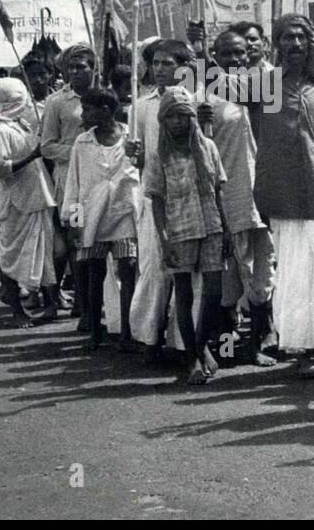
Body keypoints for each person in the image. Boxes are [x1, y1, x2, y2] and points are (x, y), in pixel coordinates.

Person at [254, 14, 314, 379]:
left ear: (311, 43)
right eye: (287, 38)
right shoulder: (267, 86)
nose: (294, 45)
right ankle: (302, 348)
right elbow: (211, 84)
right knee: (294, 273)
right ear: (276, 44)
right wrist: (198, 57)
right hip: (283, 192)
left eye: (301, 38)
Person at [146, 86, 230, 385]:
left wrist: (227, 227)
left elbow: (218, 189)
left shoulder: (207, 147)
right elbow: (156, 199)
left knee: (214, 292)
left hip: (211, 226)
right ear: (164, 121)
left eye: (184, 115)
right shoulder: (159, 156)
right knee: (183, 293)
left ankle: (201, 343)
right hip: (178, 230)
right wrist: (163, 238)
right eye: (172, 117)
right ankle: (193, 357)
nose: (179, 122)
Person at [207, 30, 278, 366]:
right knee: (225, 275)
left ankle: (261, 341)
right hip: (226, 192)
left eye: (241, 53)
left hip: (263, 190)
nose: (236, 60)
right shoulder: (206, 95)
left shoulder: (264, 88)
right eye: (227, 54)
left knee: (263, 268)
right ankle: (224, 347)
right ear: (215, 56)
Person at [129, 39, 196, 360]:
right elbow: (138, 159)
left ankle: (185, 343)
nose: (158, 69)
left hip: (190, 198)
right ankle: (148, 338)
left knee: (189, 273)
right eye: (155, 63)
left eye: (167, 63)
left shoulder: (196, 100)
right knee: (154, 268)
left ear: (182, 67)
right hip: (155, 196)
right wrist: (134, 155)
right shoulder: (141, 106)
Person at [63, 87, 140, 350]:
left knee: (127, 270)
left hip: (124, 213)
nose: (83, 114)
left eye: (87, 109)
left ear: (105, 110)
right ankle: (96, 332)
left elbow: (142, 171)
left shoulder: (131, 137)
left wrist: (136, 153)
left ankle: (128, 333)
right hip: (91, 215)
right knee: (94, 273)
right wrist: (73, 222)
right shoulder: (82, 142)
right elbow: (73, 183)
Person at [0, 77, 58, 324]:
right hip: (16, 202)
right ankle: (17, 311)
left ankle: (50, 304)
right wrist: (32, 155)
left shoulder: (22, 124)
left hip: (39, 196)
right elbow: (1, 168)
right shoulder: (0, 130)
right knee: (10, 256)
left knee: (47, 254)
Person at [39, 42, 97, 322]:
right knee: (73, 243)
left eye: (81, 66)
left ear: (93, 68)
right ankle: (71, 303)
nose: (74, 72)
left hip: (100, 179)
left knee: (96, 242)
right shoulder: (56, 102)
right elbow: (47, 146)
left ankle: (90, 303)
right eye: (70, 67)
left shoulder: (103, 96)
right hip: (70, 183)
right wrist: (78, 149)